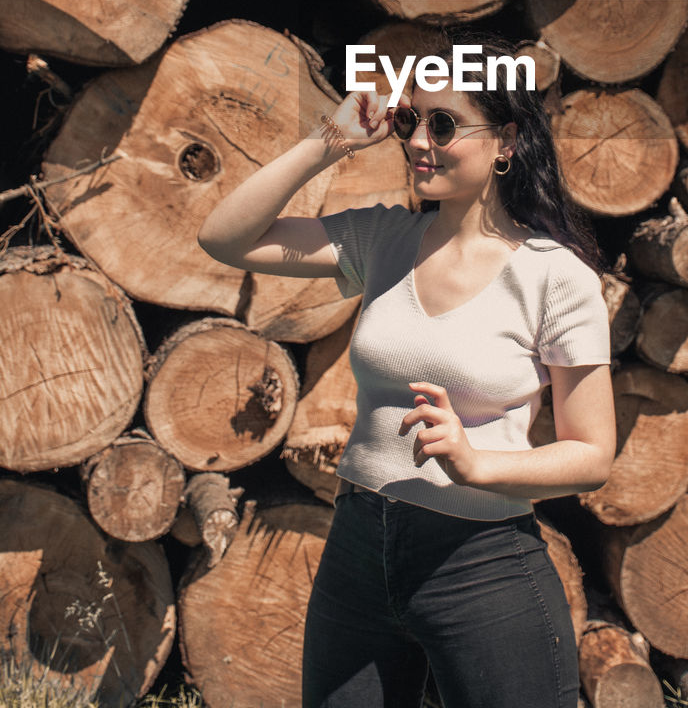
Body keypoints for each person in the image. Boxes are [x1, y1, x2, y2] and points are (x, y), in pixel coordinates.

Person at [198, 38, 616, 708]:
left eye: (442, 124)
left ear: (505, 142)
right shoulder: (382, 241)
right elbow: (224, 237)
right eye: (408, 122)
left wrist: (477, 463)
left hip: (479, 566)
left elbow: (593, 455)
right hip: (358, 552)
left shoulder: (555, 277)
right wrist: (328, 140)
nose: (419, 141)